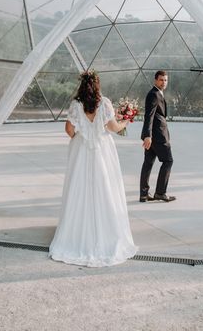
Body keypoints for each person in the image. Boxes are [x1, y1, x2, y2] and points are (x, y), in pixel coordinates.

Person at [49, 70, 138, 267]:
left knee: (79, 189)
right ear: (97, 85)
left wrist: (79, 139)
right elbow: (114, 128)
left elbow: (69, 129)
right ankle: (106, 232)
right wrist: (126, 120)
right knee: (104, 188)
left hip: (81, 151)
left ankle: (76, 233)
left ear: (82, 86)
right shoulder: (104, 103)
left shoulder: (76, 104)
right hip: (102, 151)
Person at [139, 70, 176, 203]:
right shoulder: (154, 94)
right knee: (168, 161)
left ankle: (144, 194)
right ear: (155, 80)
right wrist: (147, 136)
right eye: (161, 80)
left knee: (148, 163)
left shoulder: (156, 93)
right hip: (158, 136)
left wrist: (148, 135)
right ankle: (160, 192)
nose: (163, 82)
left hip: (153, 136)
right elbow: (148, 116)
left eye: (165, 80)